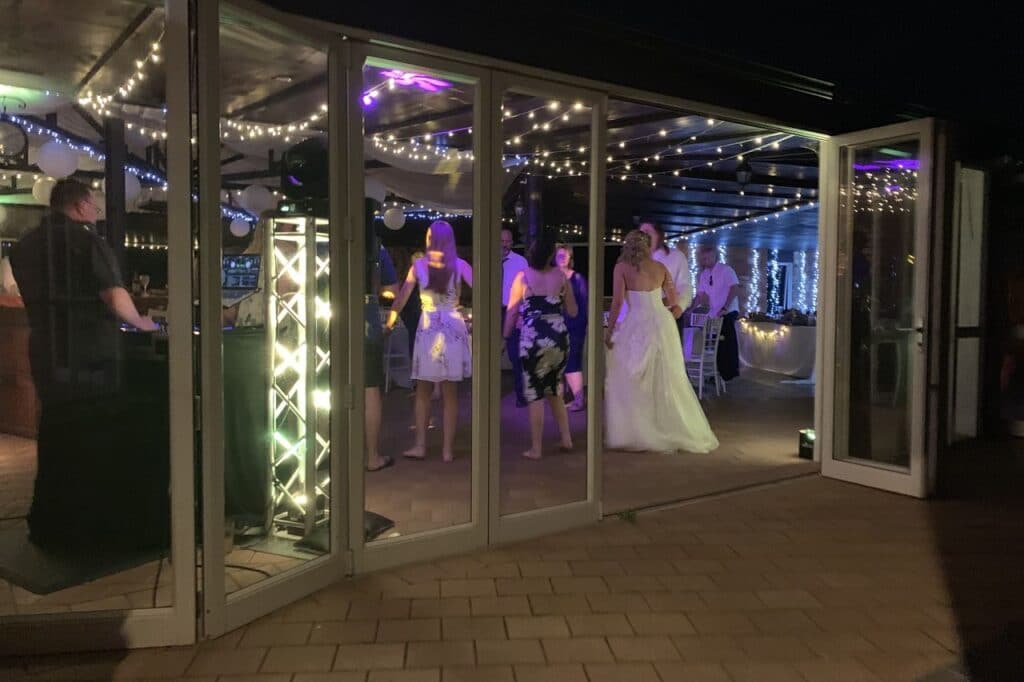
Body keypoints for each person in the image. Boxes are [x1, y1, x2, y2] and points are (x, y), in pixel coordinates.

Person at [10, 178, 164, 550]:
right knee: (93, 432)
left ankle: (51, 522)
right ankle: (91, 527)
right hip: (90, 353)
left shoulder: (23, 247)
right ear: (79, 206)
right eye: (93, 205)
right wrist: (146, 324)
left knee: (56, 432)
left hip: (45, 350)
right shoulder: (86, 241)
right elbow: (113, 295)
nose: (95, 212)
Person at [604, 230, 718, 454]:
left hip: (637, 323)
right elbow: (673, 300)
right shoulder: (661, 268)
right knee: (667, 376)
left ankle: (639, 429)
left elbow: (617, 303)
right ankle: (665, 425)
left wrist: (609, 331)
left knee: (632, 375)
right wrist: (655, 300)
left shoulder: (621, 267)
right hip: (662, 323)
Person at [386, 221, 472, 462]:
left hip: (429, 327)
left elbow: (401, 298)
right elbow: (486, 288)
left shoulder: (419, 266)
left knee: (423, 390)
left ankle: (421, 445)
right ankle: (447, 450)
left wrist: (389, 323)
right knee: (450, 393)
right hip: (453, 325)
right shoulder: (459, 264)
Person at [504, 232, 577, 459]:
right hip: (558, 338)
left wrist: (505, 337)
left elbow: (512, 311)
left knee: (535, 393)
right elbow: (573, 311)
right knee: (555, 388)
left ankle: (536, 448)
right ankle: (566, 438)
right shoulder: (561, 277)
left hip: (533, 339)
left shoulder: (522, 277)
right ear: (550, 256)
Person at [692, 244, 741, 381]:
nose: (703, 261)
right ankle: (718, 372)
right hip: (715, 313)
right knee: (715, 343)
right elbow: (700, 296)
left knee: (726, 342)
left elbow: (734, 289)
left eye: (706, 258)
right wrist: (690, 309)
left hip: (728, 311)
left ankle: (728, 373)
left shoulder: (726, 270)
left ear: (713, 256)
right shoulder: (704, 274)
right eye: (702, 258)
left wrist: (725, 308)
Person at [639, 222, 691, 347]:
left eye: (648, 232)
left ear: (658, 235)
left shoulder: (676, 257)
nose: (644, 236)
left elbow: (685, 286)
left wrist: (679, 307)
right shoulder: (637, 260)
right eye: (641, 233)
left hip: (669, 315)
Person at [555, 244, 588, 411]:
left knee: (572, 363)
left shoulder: (578, 279)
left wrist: (577, 327)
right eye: (559, 255)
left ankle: (578, 399)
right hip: (553, 328)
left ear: (570, 258)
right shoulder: (551, 277)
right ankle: (559, 403)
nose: (562, 258)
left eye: (565, 255)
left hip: (574, 328)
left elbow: (584, 306)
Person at [500, 229, 528, 407]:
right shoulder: (486, 259)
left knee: (515, 355)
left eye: (508, 241)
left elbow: (527, 290)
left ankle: (521, 395)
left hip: (513, 311)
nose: (505, 244)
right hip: (491, 311)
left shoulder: (520, 262)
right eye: (502, 241)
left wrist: (521, 313)